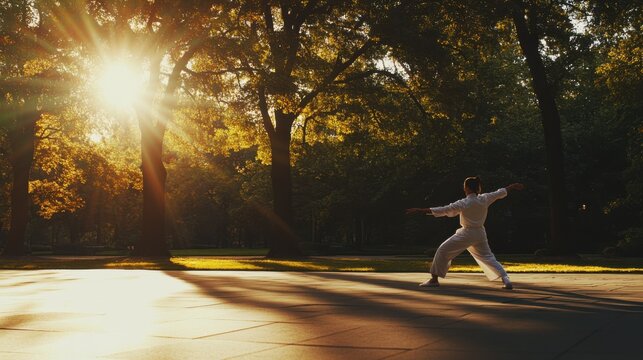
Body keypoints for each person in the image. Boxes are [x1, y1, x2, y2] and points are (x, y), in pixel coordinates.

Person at [406, 177, 524, 289]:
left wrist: (420, 210)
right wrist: (512, 186)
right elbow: (500, 192)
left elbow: (445, 209)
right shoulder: (484, 198)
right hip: (480, 233)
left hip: (467, 233)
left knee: (443, 250)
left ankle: (434, 280)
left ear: (467, 188)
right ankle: (505, 278)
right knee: (488, 257)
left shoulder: (464, 202)